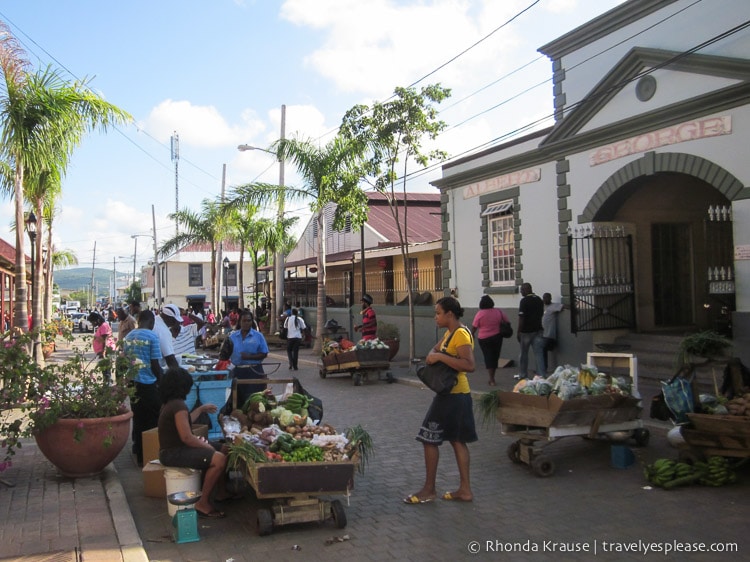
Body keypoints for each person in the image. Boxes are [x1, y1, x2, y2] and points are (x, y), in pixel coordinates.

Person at [404, 296, 476, 505]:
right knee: (456, 439)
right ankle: (464, 490)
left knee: (429, 438)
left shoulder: (460, 335)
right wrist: (435, 355)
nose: (435, 317)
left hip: (453, 396)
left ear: (449, 314)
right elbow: (432, 352)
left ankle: (429, 489)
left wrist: (440, 358)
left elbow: (469, 365)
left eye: (438, 313)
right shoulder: (450, 334)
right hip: (456, 395)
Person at [158, 366, 232, 518]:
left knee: (225, 448)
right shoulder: (178, 405)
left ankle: (222, 492)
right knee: (219, 459)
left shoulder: (171, 403)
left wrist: (202, 409)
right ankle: (202, 503)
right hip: (173, 452)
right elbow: (187, 437)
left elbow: (185, 421)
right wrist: (209, 447)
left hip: (173, 450)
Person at [123, 310, 164, 466]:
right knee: (153, 421)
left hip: (133, 384)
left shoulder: (128, 337)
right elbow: (155, 365)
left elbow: (125, 362)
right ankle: (150, 456)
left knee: (139, 419)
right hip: (149, 384)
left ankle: (139, 453)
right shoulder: (152, 337)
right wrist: (163, 383)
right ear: (151, 322)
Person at [218, 309, 269, 410]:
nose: (246, 323)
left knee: (255, 403)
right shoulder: (232, 337)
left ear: (252, 321)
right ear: (240, 322)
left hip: (255, 371)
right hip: (237, 371)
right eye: (244, 321)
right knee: (237, 402)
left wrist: (249, 357)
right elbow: (224, 355)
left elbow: (264, 353)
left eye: (249, 320)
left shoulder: (258, 336)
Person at [471, 295, 509, 386]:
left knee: (488, 356)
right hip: (497, 337)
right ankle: (492, 377)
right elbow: (507, 321)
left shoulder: (480, 314)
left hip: (484, 338)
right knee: (495, 357)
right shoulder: (498, 311)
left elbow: (474, 326)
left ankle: (491, 379)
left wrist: (472, 335)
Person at [516, 282, 546, 380]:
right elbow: (541, 314)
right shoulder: (539, 300)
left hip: (526, 331)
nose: (521, 292)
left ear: (526, 290)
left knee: (524, 353)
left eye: (522, 290)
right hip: (538, 329)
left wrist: (519, 331)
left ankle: (523, 374)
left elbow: (521, 318)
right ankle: (541, 375)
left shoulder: (524, 301)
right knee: (539, 353)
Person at [88, 311, 116, 381]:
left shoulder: (104, 326)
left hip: (105, 351)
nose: (92, 324)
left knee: (106, 370)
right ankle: (106, 385)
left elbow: (105, 339)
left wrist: (103, 352)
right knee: (104, 370)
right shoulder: (101, 326)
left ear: (97, 320)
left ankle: (107, 386)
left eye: (92, 322)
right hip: (102, 351)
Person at [153, 304, 181, 370]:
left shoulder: (155, 320)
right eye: (174, 320)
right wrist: (178, 374)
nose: (176, 323)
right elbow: (170, 358)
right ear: (168, 317)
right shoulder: (163, 330)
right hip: (157, 368)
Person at [541, 293, 564, 373]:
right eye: (544, 298)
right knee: (541, 349)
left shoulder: (553, 306)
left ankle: (544, 368)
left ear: (550, 298)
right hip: (542, 334)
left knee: (543, 348)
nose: (545, 300)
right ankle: (542, 368)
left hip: (549, 334)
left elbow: (563, 306)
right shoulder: (542, 307)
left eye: (546, 298)